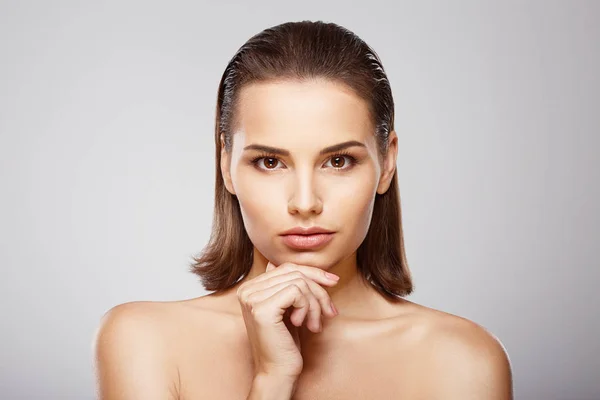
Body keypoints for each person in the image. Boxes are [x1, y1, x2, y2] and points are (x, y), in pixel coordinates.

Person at [93, 20, 513, 399]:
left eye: (338, 161)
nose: (305, 202)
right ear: (226, 165)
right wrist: (272, 380)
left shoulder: (463, 362)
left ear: (387, 163)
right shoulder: (144, 341)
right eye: (270, 162)